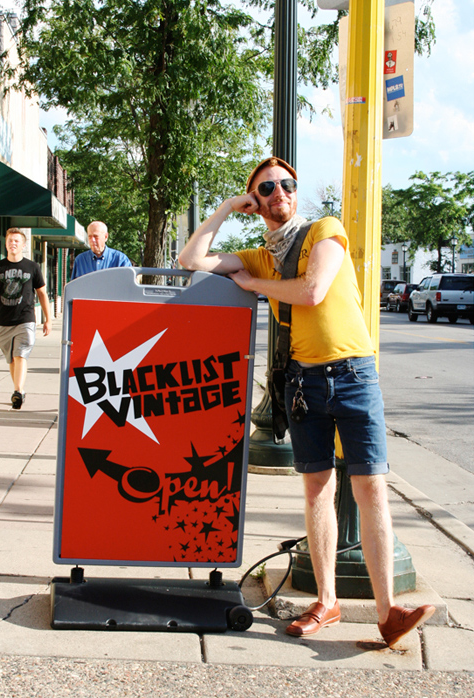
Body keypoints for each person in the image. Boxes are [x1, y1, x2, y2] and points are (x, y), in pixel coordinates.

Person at [178, 156, 435, 648]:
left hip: (355, 375)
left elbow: (313, 289)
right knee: (317, 488)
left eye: (286, 184)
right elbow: (192, 260)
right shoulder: (260, 255)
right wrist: (229, 207)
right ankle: (327, 601)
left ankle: (389, 613)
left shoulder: (324, 230)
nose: (279, 193)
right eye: (266, 188)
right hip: (304, 382)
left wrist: (253, 286)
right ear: (258, 201)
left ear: (296, 191)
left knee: (371, 488)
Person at [0, 228, 52, 410]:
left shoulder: (32, 267)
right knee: (11, 359)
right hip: (3, 321)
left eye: (16, 241)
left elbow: (43, 294)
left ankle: (18, 391)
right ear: (6, 244)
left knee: (20, 355)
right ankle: (19, 390)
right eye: (10, 241)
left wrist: (48, 319)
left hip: (25, 319)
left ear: (23, 245)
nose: (12, 243)